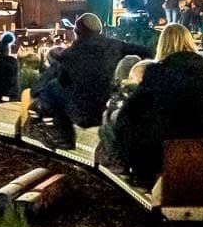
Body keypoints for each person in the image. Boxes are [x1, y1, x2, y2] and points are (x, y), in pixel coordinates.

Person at [111, 24, 203, 187]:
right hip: (202, 146)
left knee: (119, 119)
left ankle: (130, 173)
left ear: (162, 44)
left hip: (162, 149)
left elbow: (132, 110)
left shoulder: (156, 73)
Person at [26, 12, 152, 149]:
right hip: (106, 108)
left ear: (77, 32)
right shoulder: (116, 46)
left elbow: (41, 86)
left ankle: (61, 134)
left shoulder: (70, 54)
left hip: (81, 114)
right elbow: (146, 52)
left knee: (51, 86)